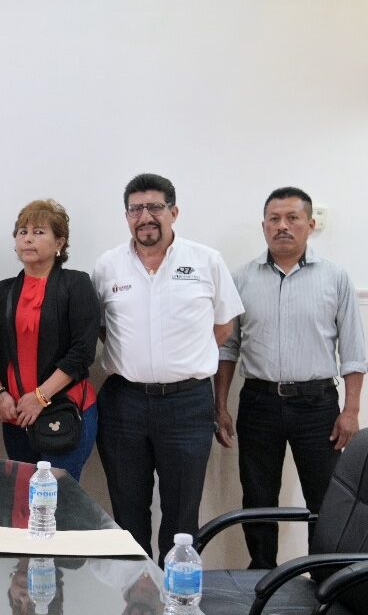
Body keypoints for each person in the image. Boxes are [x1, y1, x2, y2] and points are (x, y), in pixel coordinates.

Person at [91, 172, 243, 561]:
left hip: (187, 404)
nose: (145, 216)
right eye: (136, 209)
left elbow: (224, 327)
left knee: (181, 514)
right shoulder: (107, 266)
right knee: (128, 511)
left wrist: (184, 358)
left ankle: (175, 596)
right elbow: (101, 329)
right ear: (126, 216)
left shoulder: (206, 260)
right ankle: (136, 597)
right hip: (124, 403)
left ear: (173, 212)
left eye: (155, 207)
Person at [214, 187, 364, 569]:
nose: (283, 226)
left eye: (292, 218)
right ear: (263, 226)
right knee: (258, 496)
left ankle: (324, 578)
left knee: (325, 499)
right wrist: (220, 406)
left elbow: (353, 352)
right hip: (259, 403)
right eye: (274, 219)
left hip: (317, 406)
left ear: (310, 225)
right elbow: (228, 350)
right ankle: (261, 574)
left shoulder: (335, 278)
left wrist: (351, 410)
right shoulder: (242, 279)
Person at [0, 200, 100, 481]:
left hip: (66, 410)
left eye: (39, 231)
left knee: (56, 503)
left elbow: (81, 353)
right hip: (16, 415)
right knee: (23, 501)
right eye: (22, 231)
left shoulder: (76, 284)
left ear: (60, 242)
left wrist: (40, 397)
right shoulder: (1, 291)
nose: (28, 238)